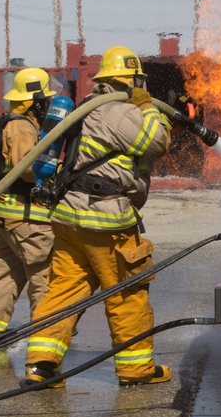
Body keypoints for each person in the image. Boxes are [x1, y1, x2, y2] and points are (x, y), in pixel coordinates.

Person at [23, 45, 174, 388]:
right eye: (140, 82)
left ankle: (40, 367)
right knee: (127, 292)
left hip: (70, 217)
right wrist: (149, 106)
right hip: (104, 220)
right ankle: (136, 370)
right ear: (132, 80)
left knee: (64, 290)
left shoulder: (90, 109)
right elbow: (158, 141)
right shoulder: (118, 111)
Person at [0, 67, 57, 342]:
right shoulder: (23, 126)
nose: (48, 104)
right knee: (44, 275)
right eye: (45, 99)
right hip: (26, 218)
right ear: (36, 101)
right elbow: (27, 169)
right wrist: (54, 169)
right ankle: (47, 333)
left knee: (1, 275)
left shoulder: (5, 121)